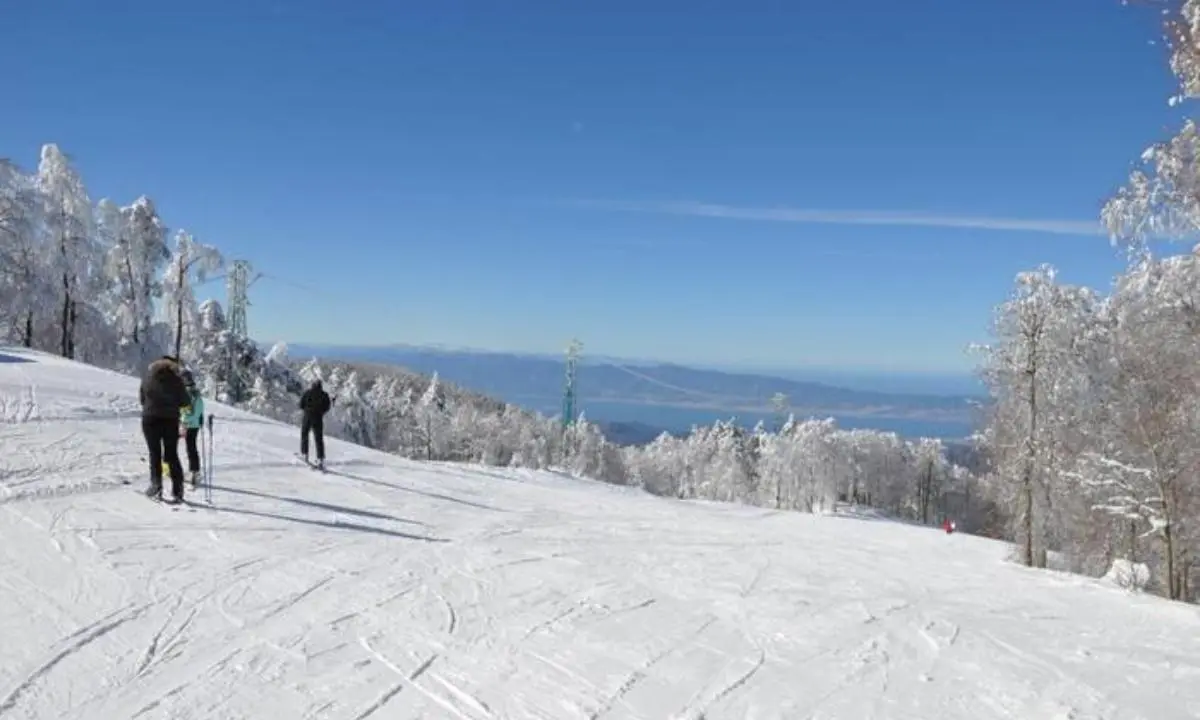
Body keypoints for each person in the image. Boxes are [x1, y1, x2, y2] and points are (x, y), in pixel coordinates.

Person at [139, 355, 191, 502]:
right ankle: (177, 489)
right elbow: (185, 401)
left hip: (150, 419)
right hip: (170, 420)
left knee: (154, 453)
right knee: (171, 454)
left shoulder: (147, 377)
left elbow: (142, 399)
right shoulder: (177, 380)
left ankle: (156, 486)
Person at [179, 370, 205, 489]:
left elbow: (197, 412)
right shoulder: (187, 392)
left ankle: (195, 471)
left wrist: (185, 419)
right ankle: (193, 471)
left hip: (192, 425)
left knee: (191, 447)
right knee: (190, 447)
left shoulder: (194, 394)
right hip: (188, 424)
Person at [299, 379, 332, 469]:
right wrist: (321, 412)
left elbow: (301, 405)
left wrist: (307, 409)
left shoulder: (307, 392)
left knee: (304, 434)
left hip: (307, 416)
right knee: (318, 438)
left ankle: (304, 454)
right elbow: (327, 407)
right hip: (318, 417)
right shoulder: (324, 395)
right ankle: (320, 459)